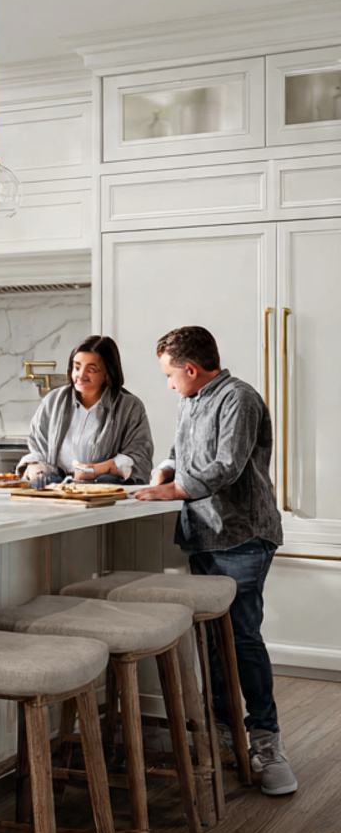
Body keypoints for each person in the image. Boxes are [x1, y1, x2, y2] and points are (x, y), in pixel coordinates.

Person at [134, 325, 295, 796]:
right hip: (204, 537)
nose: (168, 384)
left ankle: (267, 744)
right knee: (212, 640)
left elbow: (226, 464)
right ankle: (225, 735)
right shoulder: (191, 400)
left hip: (243, 536)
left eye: (169, 375)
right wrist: (164, 468)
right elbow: (180, 453)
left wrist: (173, 488)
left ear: (190, 368)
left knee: (240, 638)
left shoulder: (239, 399)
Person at [18, 335, 154, 488]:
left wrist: (93, 471)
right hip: (55, 488)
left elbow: (138, 457)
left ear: (107, 375)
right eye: (77, 367)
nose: (81, 376)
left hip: (104, 490)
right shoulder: (53, 401)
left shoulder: (129, 406)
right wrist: (35, 466)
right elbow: (37, 446)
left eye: (91, 369)